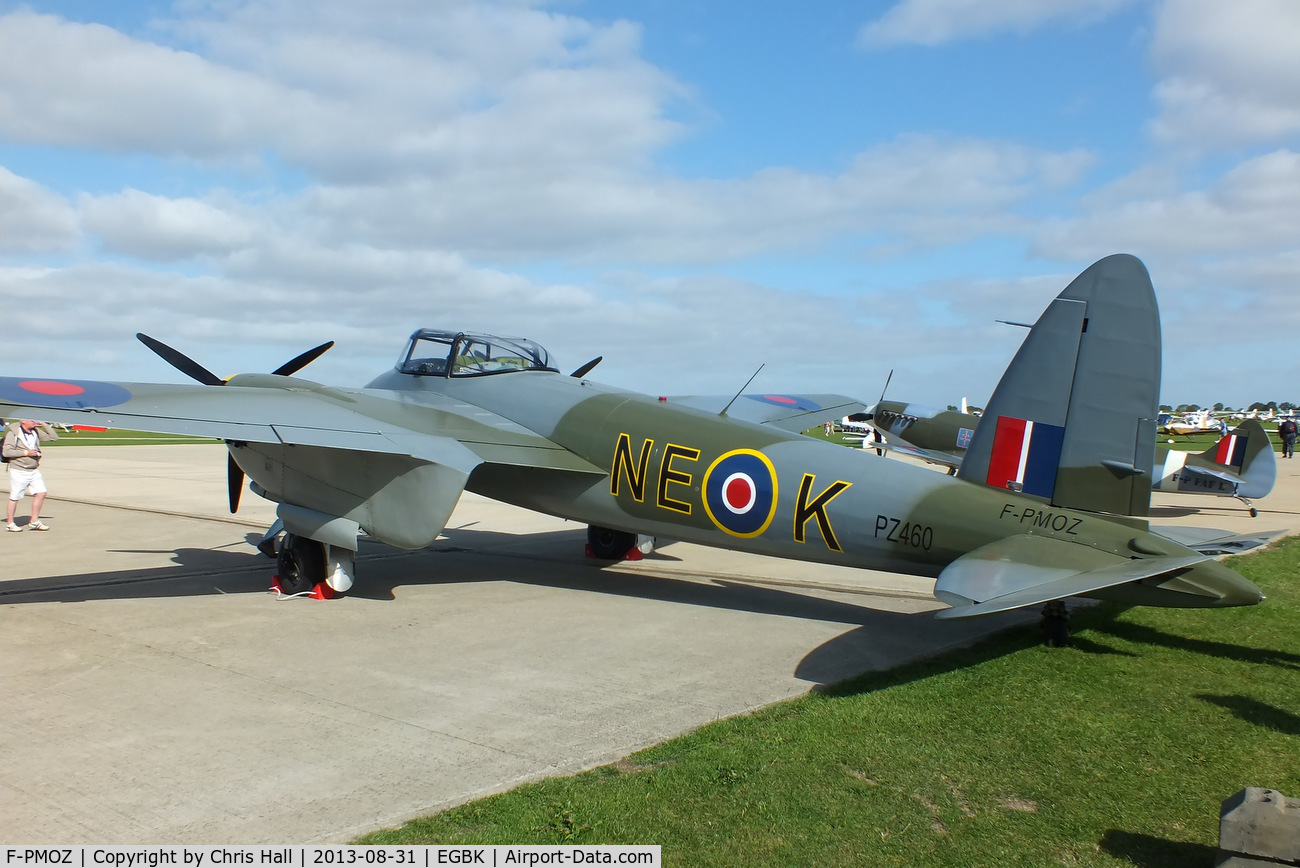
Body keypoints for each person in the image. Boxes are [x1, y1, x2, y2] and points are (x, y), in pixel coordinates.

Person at [3, 419, 59, 531]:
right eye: (32, 420)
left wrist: (45, 424)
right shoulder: (13, 433)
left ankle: (34, 521)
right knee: (15, 497)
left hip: (33, 469)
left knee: (41, 492)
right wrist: (25, 453)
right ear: (23, 421)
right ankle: (10, 524)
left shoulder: (35, 431)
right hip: (19, 470)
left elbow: (54, 438)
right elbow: (6, 452)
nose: (35, 422)